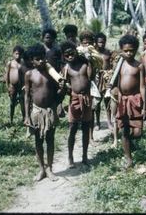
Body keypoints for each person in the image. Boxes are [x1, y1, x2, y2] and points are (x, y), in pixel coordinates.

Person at [24, 44, 63, 181]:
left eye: (42, 58)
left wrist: (62, 88)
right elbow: (27, 96)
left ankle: (50, 168)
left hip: (50, 110)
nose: (41, 61)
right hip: (36, 111)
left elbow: (58, 93)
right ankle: (41, 169)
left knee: (50, 139)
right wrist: (27, 116)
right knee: (38, 141)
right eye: (37, 59)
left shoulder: (51, 73)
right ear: (31, 60)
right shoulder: (29, 74)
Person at [116, 35, 146, 169]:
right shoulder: (119, 66)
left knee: (138, 132)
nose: (129, 53)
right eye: (126, 50)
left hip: (135, 99)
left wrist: (145, 105)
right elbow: (116, 84)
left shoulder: (139, 66)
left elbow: (142, 86)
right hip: (123, 100)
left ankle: (129, 142)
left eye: (132, 50)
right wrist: (118, 97)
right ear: (121, 50)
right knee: (125, 130)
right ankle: (128, 158)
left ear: (135, 50)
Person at [61, 42, 92, 168]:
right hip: (74, 99)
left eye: (71, 52)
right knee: (72, 128)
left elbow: (91, 77)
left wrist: (90, 62)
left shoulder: (85, 64)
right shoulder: (66, 68)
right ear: (63, 56)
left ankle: (84, 156)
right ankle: (70, 156)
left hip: (86, 99)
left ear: (76, 51)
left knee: (86, 128)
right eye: (66, 54)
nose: (69, 55)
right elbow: (64, 84)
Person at [93, 32, 113, 131]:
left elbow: (112, 64)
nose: (102, 44)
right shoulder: (93, 53)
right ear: (96, 43)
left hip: (106, 78)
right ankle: (97, 122)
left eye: (103, 42)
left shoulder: (108, 52)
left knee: (107, 101)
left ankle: (109, 122)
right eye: (100, 42)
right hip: (96, 78)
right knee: (97, 102)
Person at [5, 45, 25, 124]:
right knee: (12, 103)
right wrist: (8, 86)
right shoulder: (10, 63)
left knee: (22, 103)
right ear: (13, 54)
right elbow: (6, 75)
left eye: (19, 54)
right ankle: (11, 119)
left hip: (21, 86)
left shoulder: (23, 63)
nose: (18, 56)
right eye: (16, 54)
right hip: (12, 86)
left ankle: (24, 118)